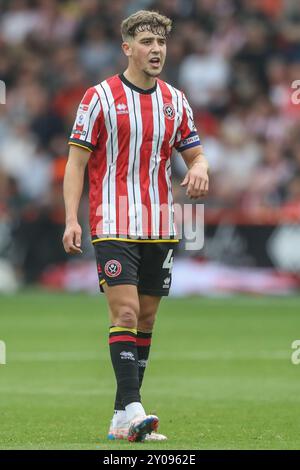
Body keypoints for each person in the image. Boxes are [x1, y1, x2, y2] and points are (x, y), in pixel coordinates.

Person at [62, 10, 209, 443]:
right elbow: (76, 164)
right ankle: (135, 407)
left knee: (145, 318)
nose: (156, 50)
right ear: (127, 48)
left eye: (161, 43)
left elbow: (196, 154)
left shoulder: (175, 100)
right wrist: (72, 217)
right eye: (146, 42)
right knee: (123, 311)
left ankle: (120, 418)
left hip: (161, 224)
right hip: (112, 221)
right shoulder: (99, 98)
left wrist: (202, 168)